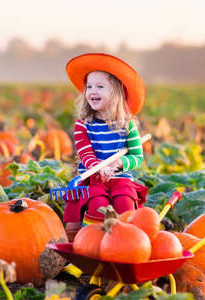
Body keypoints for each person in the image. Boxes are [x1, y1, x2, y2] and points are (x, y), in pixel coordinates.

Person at [62, 53, 148, 242]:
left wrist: (119, 163)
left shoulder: (128, 125)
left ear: (116, 92)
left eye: (100, 86)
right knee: (97, 205)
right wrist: (100, 168)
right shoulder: (83, 125)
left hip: (119, 178)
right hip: (93, 178)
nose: (93, 91)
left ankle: (126, 242)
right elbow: (86, 153)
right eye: (89, 86)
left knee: (125, 203)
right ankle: (92, 243)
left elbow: (137, 157)